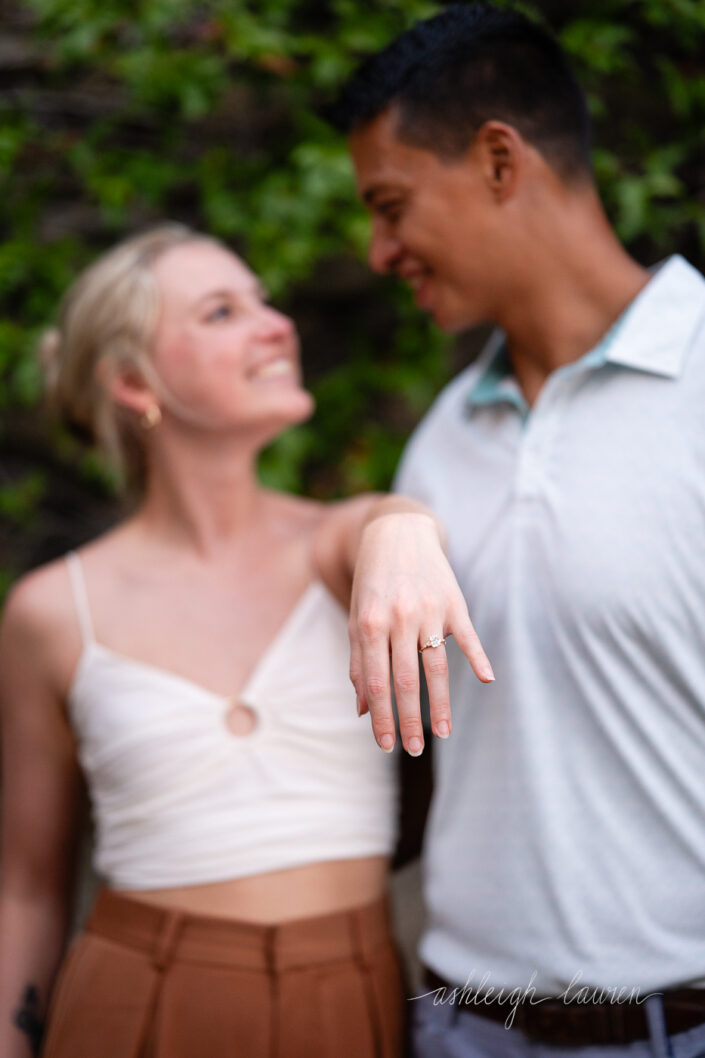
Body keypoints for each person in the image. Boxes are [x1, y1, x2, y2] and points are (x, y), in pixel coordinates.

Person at [0, 223, 493, 1058]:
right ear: (131, 381)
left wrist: (405, 525)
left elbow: (380, 524)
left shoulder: (340, 550)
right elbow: (28, 890)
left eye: (264, 301)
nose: (276, 324)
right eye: (222, 311)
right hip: (133, 999)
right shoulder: (51, 613)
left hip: (353, 993)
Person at [330, 4, 705, 1057]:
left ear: (500, 159)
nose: (377, 249)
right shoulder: (441, 441)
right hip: (456, 1023)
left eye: (392, 205)